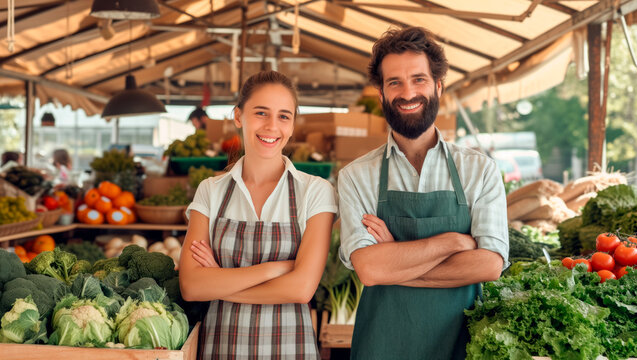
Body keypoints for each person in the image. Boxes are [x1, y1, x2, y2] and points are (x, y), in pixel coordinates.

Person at [337, 27, 509, 360]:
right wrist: (453, 243)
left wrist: (395, 259)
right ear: (381, 93)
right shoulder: (356, 176)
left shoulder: (479, 170)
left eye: (419, 79)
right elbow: (370, 270)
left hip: (462, 346)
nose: (407, 93)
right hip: (382, 346)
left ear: (438, 85)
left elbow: (489, 265)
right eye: (394, 82)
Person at [179, 70, 337, 359]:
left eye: (284, 116)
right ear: (239, 116)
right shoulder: (211, 191)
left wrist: (218, 282)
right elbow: (191, 286)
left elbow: (301, 289)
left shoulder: (315, 191)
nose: (272, 126)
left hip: (291, 349)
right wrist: (275, 268)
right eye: (261, 113)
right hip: (221, 348)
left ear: (292, 125)